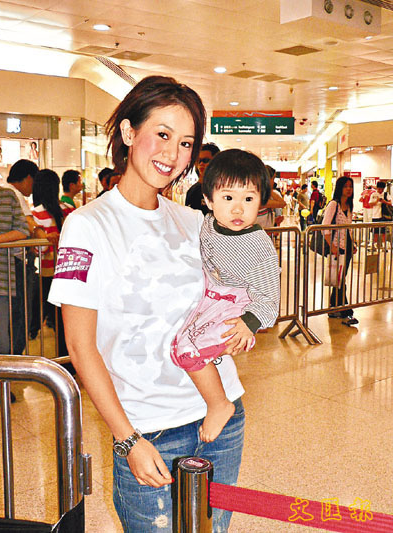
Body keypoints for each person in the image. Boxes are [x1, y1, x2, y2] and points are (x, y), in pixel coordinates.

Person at [48, 75, 245, 532]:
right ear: (128, 132)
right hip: (149, 429)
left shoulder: (193, 220)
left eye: (185, 143)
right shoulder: (87, 226)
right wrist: (127, 440)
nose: (172, 154)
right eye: (162, 134)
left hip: (220, 415)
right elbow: (80, 346)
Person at [171, 149, 280, 442]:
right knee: (181, 342)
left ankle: (219, 403)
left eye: (249, 199)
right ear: (209, 200)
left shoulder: (259, 247)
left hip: (235, 309)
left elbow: (269, 297)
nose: (238, 209)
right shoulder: (207, 223)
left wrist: (249, 324)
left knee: (187, 350)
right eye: (228, 198)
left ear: (262, 201)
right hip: (210, 298)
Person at [5, 159, 48, 355]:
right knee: (21, 314)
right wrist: (40, 233)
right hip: (16, 263)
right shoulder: (14, 194)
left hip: (7, 263)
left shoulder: (4, 192)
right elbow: (28, 223)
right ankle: (14, 360)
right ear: (29, 178)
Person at [0, 181, 29, 402]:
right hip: (2, 276)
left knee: (2, 336)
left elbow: (23, 229)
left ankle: (1, 385)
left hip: (2, 277)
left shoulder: (7, 196)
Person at [32, 170, 73, 358]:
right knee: (67, 321)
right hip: (69, 272)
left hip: (47, 273)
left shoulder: (36, 214)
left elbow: (39, 250)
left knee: (49, 317)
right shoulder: (68, 210)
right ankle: (69, 359)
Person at [323, 176, 358, 325]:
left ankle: (335, 308)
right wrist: (332, 246)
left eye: (350, 186)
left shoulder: (349, 205)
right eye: (345, 186)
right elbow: (325, 227)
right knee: (339, 278)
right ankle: (343, 309)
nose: (349, 189)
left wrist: (353, 243)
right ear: (340, 188)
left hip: (347, 246)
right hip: (337, 246)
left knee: (341, 278)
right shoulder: (334, 205)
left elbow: (348, 227)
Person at [185, 142, 220, 214]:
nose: (201, 164)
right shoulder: (193, 190)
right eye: (199, 161)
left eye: (205, 160)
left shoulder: (222, 189)